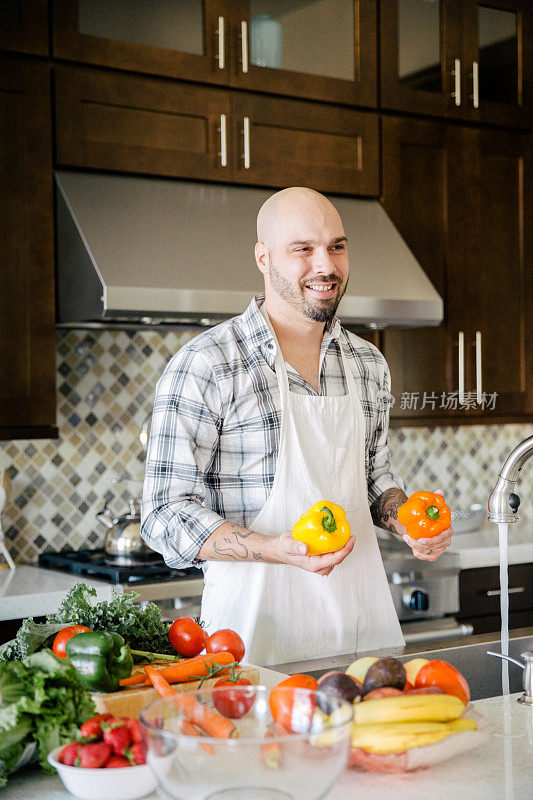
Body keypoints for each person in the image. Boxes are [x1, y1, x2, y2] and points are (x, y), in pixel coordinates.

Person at [141, 187, 454, 666]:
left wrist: (407, 523)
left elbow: (376, 479)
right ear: (263, 258)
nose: (325, 266)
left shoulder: (368, 363)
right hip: (252, 646)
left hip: (361, 637)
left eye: (337, 246)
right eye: (303, 249)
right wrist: (275, 549)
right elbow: (164, 514)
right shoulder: (207, 364)